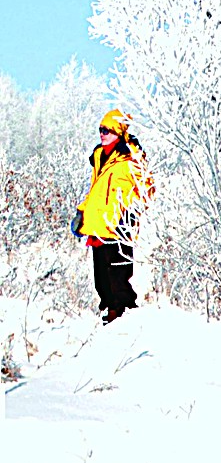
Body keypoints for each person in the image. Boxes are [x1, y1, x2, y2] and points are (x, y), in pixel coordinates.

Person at [76, 108, 148, 323]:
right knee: (101, 276)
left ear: (118, 131)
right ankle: (109, 311)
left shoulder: (131, 157)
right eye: (100, 129)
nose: (102, 133)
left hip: (120, 221)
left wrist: (131, 212)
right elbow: (95, 189)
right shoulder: (99, 155)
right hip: (98, 220)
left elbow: (146, 188)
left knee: (119, 273)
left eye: (107, 130)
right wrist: (82, 212)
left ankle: (125, 314)